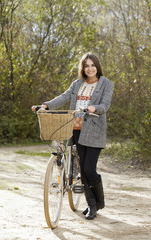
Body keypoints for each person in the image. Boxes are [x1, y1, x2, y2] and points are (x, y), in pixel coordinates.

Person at [31, 52, 114, 220]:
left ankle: (99, 202)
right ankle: (92, 205)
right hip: (75, 129)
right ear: (82, 68)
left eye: (93, 65)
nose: (90, 68)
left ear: (97, 66)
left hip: (94, 130)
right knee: (83, 170)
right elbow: (65, 96)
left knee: (90, 169)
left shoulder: (106, 84)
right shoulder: (77, 84)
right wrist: (47, 105)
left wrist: (93, 108)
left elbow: (105, 105)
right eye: (86, 65)